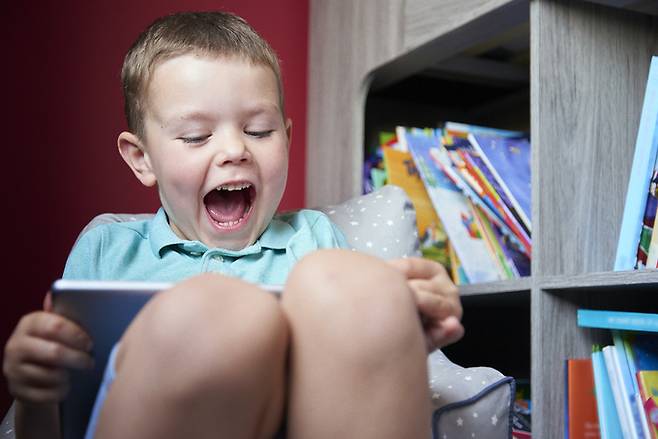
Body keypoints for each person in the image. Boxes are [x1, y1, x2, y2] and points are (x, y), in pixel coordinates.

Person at [2, 11, 464, 439]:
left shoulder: (316, 241)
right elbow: (52, 426)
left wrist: (400, 327)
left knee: (349, 285)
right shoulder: (108, 247)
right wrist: (35, 392)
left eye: (259, 131)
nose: (234, 150)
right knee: (224, 315)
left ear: (286, 136)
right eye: (196, 136)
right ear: (142, 159)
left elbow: (353, 378)